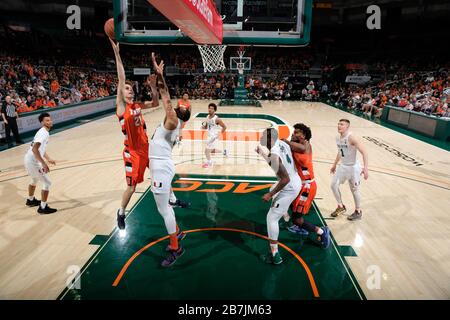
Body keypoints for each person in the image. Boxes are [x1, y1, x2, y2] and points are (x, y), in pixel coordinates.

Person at [109, 38, 159, 230]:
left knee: (159, 173)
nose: (129, 92)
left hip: (146, 148)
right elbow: (121, 78)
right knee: (132, 187)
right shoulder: (121, 107)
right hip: (132, 152)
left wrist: (153, 88)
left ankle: (170, 199)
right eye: (126, 89)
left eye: (131, 89)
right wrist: (117, 54)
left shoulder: (137, 106)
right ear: (121, 93)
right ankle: (121, 212)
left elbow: (155, 103)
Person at [149, 52, 191, 267]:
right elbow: (164, 97)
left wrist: (160, 76)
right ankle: (177, 233)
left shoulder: (173, 120)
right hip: (161, 166)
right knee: (165, 207)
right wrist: (156, 83)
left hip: (161, 169)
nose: (179, 104)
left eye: (181, 107)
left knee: (164, 210)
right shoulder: (172, 119)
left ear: (180, 115)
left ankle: (176, 247)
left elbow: (165, 94)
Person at [255, 128, 301, 265]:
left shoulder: (275, 154)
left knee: (271, 218)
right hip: (294, 179)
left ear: (270, 139)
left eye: (264, 135)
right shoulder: (282, 143)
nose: (261, 135)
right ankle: (286, 216)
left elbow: (284, 179)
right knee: (273, 190)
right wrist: (263, 153)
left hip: (289, 186)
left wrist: (270, 194)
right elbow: (278, 164)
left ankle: (275, 255)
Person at [281, 123, 330, 249]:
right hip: (301, 184)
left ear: (304, 135)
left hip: (307, 186)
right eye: (294, 131)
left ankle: (322, 232)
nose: (293, 134)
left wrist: (285, 141)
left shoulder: (306, 145)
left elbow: (301, 149)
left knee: (296, 219)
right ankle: (301, 226)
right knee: (291, 206)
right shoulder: (295, 146)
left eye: (297, 132)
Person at [330, 119, 369, 220]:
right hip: (343, 166)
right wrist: (334, 164)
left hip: (353, 168)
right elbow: (340, 151)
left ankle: (358, 211)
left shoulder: (351, 138)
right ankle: (340, 206)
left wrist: (365, 168)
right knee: (333, 185)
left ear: (347, 126)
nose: (339, 126)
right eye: (338, 124)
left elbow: (364, 152)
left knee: (354, 190)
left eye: (342, 124)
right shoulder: (337, 138)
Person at [24, 113, 57, 214]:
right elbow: (35, 149)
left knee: (34, 179)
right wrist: (44, 164)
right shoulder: (44, 133)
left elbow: (40, 149)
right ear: (42, 123)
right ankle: (42, 208)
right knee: (47, 183)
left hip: (28, 159)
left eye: (50, 120)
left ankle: (30, 200)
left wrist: (48, 158)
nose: (50, 121)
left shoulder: (43, 131)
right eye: (47, 120)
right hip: (33, 161)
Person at [201, 103, 227, 168]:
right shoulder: (207, 117)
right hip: (209, 135)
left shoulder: (217, 119)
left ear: (214, 110)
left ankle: (209, 163)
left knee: (206, 151)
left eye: (212, 108)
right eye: (209, 108)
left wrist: (220, 134)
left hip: (213, 136)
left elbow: (224, 127)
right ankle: (224, 152)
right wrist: (203, 127)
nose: (210, 109)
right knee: (211, 150)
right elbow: (206, 126)